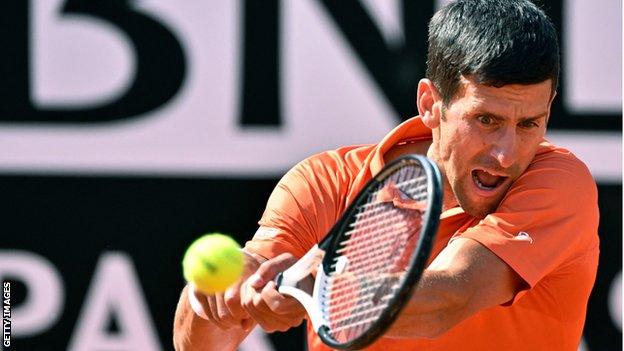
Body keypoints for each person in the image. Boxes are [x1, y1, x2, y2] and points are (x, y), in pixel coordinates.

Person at [173, 0, 599, 350]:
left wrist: (319, 287)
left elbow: (450, 294)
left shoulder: (559, 183)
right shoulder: (323, 185)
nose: (507, 156)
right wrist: (216, 299)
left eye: (529, 124)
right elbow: (202, 344)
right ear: (430, 104)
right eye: (486, 120)